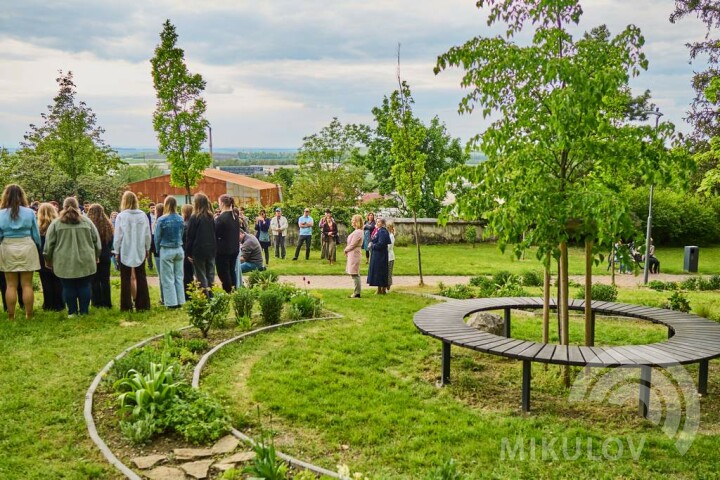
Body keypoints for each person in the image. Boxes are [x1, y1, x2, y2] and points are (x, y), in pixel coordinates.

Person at [44, 197, 101, 317]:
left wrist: (48, 259)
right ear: (77, 206)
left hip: (63, 261)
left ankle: (72, 312)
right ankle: (84, 312)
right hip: (86, 260)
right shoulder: (87, 221)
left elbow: (49, 244)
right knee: (84, 285)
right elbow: (97, 241)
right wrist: (96, 255)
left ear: (63, 207)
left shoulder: (56, 223)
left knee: (68, 286)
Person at [0, 184, 41, 320]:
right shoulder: (29, 212)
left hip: (7, 246)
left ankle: (11, 316)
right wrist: (39, 247)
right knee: (27, 284)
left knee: (10, 285)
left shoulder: (0, 214)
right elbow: (35, 234)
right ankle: (29, 315)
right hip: (27, 245)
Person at [114, 191, 152, 312]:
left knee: (125, 278)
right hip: (140, 248)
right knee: (141, 277)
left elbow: (118, 235)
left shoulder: (121, 216)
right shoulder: (142, 215)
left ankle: (126, 306)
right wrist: (147, 248)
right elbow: (147, 234)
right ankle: (143, 304)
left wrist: (116, 250)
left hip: (125, 248)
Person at [155, 197, 186, 308]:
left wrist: (158, 250)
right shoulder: (180, 219)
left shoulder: (162, 220)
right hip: (179, 248)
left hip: (166, 249)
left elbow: (157, 237)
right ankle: (181, 300)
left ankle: (171, 303)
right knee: (179, 276)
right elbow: (181, 233)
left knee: (168, 278)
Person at [36, 203, 65, 311]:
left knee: (45, 281)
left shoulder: (38, 227)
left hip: (41, 256)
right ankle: (59, 304)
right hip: (57, 255)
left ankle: (48, 304)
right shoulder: (59, 225)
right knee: (58, 281)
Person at [186, 193, 217, 291]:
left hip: (198, 250)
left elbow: (190, 236)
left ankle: (204, 298)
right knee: (210, 275)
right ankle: (212, 297)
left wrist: (188, 252)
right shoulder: (211, 216)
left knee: (201, 275)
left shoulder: (194, 217)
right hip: (211, 249)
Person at [87, 204, 114, 308]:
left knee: (94, 279)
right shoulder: (107, 224)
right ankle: (107, 302)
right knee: (105, 279)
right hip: (105, 253)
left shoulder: (89, 224)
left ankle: (96, 302)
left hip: (93, 254)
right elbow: (111, 241)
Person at [215, 195, 240, 293]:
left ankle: (228, 291)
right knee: (231, 271)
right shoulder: (235, 217)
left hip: (223, 250)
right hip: (234, 248)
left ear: (222, 203)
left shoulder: (221, 219)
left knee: (223, 273)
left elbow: (215, 233)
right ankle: (234, 290)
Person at [367, 218, 391, 295]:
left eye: (379, 222)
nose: (377, 223)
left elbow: (381, 244)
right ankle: (379, 289)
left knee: (380, 271)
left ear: (383, 223)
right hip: (377, 254)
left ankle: (382, 289)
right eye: (376, 221)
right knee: (377, 271)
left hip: (381, 255)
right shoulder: (378, 230)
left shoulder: (383, 232)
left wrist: (372, 245)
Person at [344, 214, 364, 298]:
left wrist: (346, 249)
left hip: (354, 253)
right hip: (352, 253)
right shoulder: (357, 231)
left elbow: (353, 244)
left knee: (355, 273)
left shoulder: (358, 232)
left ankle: (357, 292)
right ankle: (356, 291)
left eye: (353, 221)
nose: (352, 222)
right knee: (353, 273)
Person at [181, 204, 195, 294]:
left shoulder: (185, 225)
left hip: (186, 252)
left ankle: (188, 293)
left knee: (187, 274)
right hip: (193, 252)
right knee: (190, 274)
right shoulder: (193, 224)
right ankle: (191, 292)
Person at [386, 221, 396, 290]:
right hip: (386, 256)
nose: (387, 228)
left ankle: (388, 286)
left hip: (390, 257)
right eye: (386, 227)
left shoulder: (391, 236)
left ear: (391, 228)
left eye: (389, 227)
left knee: (389, 273)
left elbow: (389, 246)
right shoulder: (387, 235)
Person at [146, 203, 156, 270]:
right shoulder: (146, 216)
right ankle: (150, 266)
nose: (153, 209)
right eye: (151, 207)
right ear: (149, 208)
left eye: (154, 207)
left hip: (156, 235)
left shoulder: (158, 215)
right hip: (149, 235)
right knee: (149, 252)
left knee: (156, 251)